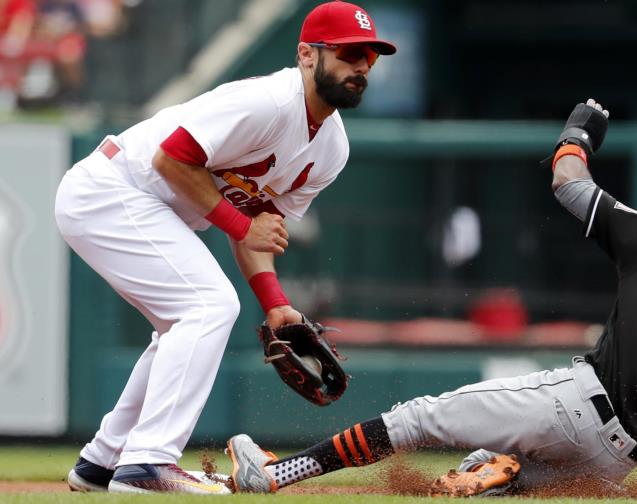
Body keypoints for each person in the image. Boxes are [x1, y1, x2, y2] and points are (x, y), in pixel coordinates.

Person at [224, 100, 637, 499]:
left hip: (574, 406)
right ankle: (499, 472)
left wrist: (577, 131)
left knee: (418, 417)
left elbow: (569, 183)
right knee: (504, 471)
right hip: (615, 465)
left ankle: (277, 476)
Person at [57, 0, 395, 494]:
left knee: (183, 324)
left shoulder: (331, 149)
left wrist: (276, 305)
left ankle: (102, 462)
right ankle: (147, 464)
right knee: (207, 306)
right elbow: (173, 157)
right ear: (306, 54)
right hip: (112, 188)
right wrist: (241, 225)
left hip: (146, 205)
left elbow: (259, 234)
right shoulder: (268, 101)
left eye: (370, 56)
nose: (360, 65)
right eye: (347, 53)